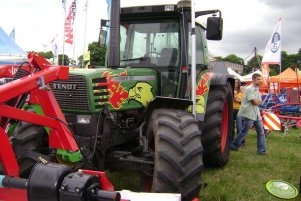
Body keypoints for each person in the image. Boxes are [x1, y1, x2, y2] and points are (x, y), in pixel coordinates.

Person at [231, 73, 266, 155]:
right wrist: (258, 102)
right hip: (249, 113)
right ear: (253, 80)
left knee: (261, 132)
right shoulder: (249, 89)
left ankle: (261, 151)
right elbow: (255, 102)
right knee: (244, 132)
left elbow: (260, 102)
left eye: (260, 79)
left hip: (256, 113)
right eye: (258, 79)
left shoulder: (257, 89)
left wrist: (258, 102)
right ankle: (234, 145)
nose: (260, 81)